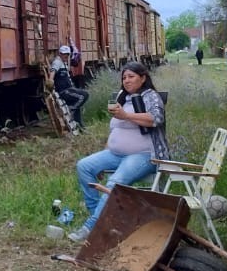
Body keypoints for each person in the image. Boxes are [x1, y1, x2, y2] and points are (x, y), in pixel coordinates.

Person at [68, 61, 169, 243]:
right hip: (115, 154)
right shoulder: (122, 97)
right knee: (84, 166)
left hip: (145, 155)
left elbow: (156, 119)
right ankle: (100, 217)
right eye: (124, 78)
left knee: (115, 180)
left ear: (143, 78)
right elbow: (116, 130)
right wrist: (105, 156)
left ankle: (91, 227)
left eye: (131, 77)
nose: (127, 81)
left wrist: (127, 116)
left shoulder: (151, 96)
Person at [50, 44, 88, 127]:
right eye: (64, 54)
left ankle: (79, 125)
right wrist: (50, 81)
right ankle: (71, 109)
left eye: (67, 54)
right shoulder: (57, 62)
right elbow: (52, 72)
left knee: (78, 102)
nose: (66, 56)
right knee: (84, 95)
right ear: (60, 54)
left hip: (68, 89)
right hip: (64, 91)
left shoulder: (64, 63)